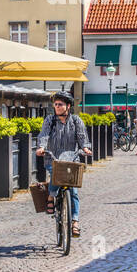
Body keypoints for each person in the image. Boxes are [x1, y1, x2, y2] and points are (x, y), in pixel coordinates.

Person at [36, 91, 92, 238]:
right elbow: (44, 135)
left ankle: (75, 222)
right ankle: (51, 196)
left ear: (68, 106)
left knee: (73, 191)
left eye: (60, 104)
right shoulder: (50, 120)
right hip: (53, 159)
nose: (57, 107)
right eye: (55, 104)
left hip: (72, 160)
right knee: (56, 173)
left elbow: (82, 137)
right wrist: (41, 147)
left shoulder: (76, 121)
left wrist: (85, 148)